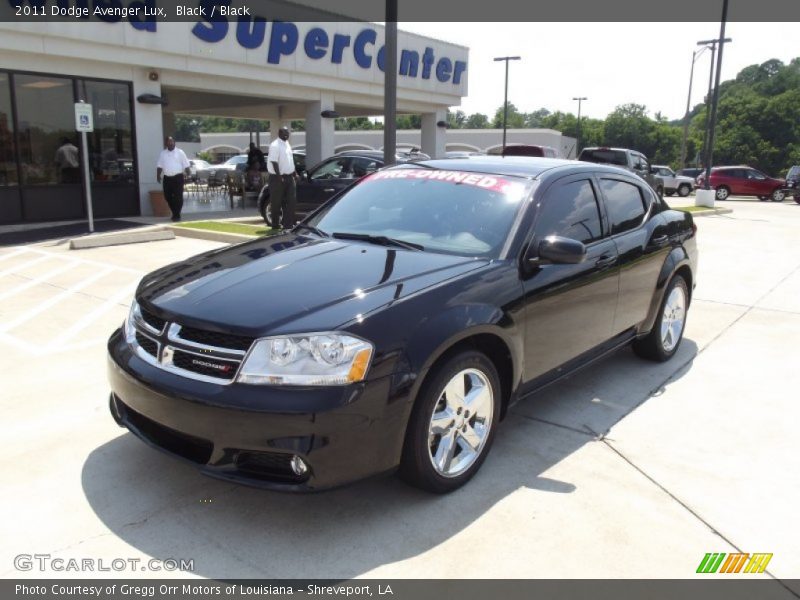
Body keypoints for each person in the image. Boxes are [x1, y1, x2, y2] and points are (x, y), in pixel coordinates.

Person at [267, 127, 298, 230]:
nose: (287, 135)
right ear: (279, 133)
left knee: (291, 201)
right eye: (285, 133)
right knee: (276, 202)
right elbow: (274, 162)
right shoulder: (275, 145)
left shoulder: (287, 144)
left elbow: (290, 161)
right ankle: (275, 225)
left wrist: (295, 173)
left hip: (289, 177)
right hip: (277, 178)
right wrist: (279, 176)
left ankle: (288, 225)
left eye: (288, 133)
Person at [156, 136, 191, 222]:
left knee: (178, 197)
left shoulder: (180, 152)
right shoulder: (163, 153)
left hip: (178, 177)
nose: (171, 143)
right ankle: (175, 213)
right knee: (167, 196)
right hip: (167, 178)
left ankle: (176, 215)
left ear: (174, 142)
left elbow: (186, 165)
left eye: (172, 141)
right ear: (166, 143)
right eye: (169, 142)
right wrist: (158, 175)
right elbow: (159, 165)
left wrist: (189, 174)